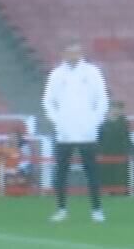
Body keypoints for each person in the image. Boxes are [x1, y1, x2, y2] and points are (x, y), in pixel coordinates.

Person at [42, 42, 109, 223]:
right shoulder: (57, 74)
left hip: (87, 132)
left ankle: (97, 209)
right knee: (61, 172)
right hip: (64, 132)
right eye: (69, 52)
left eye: (76, 52)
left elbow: (102, 99)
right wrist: (57, 121)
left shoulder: (92, 72)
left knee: (92, 172)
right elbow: (48, 101)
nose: (73, 55)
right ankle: (61, 208)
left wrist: (94, 121)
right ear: (63, 53)